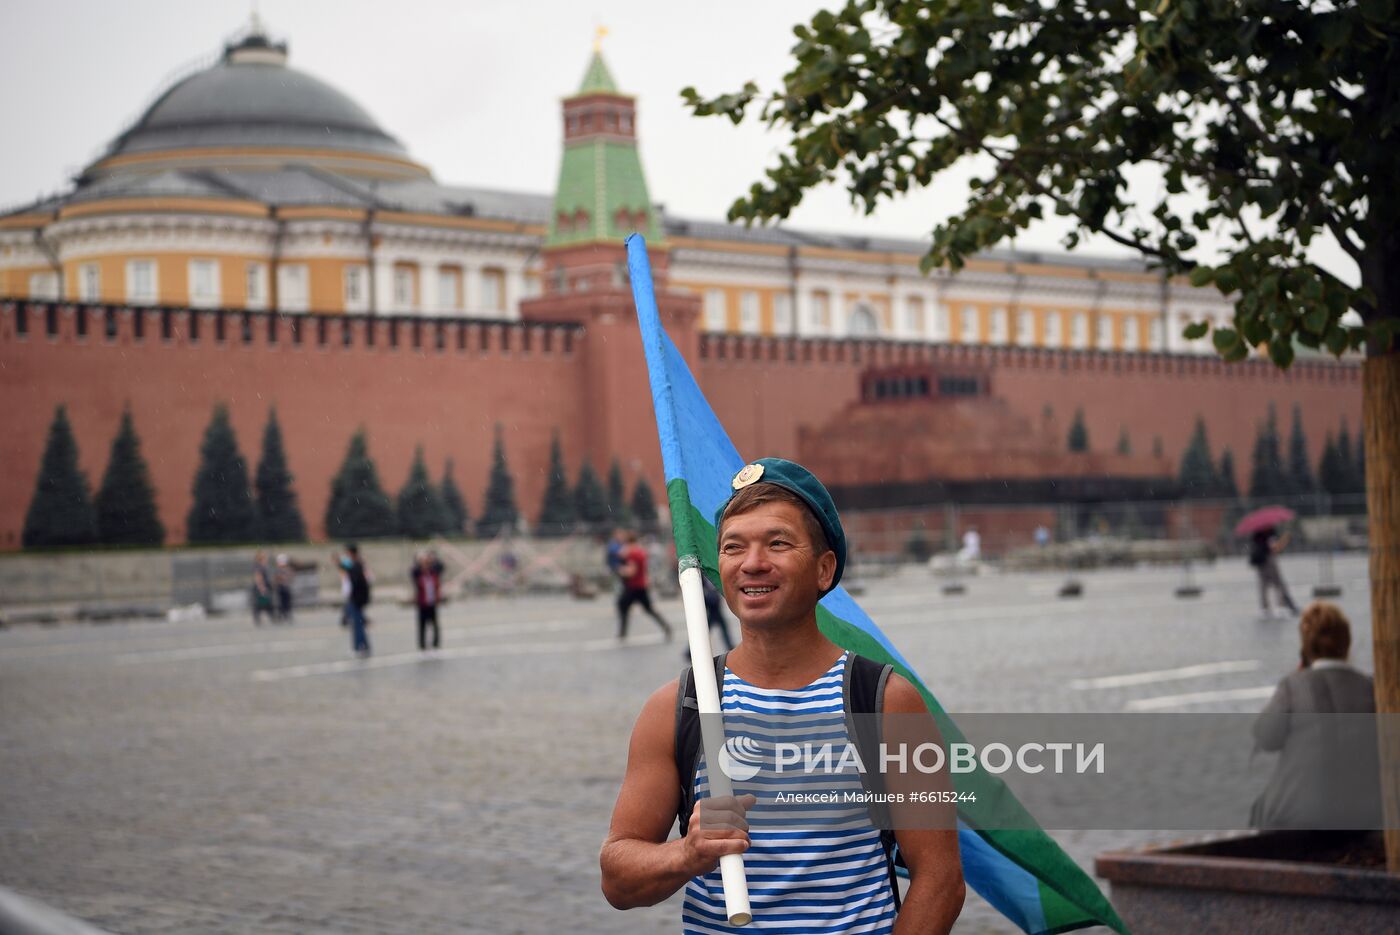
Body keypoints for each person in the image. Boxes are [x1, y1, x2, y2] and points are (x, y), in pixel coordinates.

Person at [601, 458, 964, 932]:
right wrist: (686, 854)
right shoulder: (679, 707)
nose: (753, 563)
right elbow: (618, 879)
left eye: (778, 543)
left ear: (824, 568)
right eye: (733, 547)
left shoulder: (883, 701)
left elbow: (940, 879)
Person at [1251, 602, 1380, 830]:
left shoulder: (1294, 686)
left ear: (1306, 647)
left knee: (1259, 809)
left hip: (1298, 816)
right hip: (1366, 814)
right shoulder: (1371, 688)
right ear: (1347, 642)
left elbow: (1266, 738)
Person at [616, 530, 673, 642]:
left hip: (634, 586)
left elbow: (631, 571)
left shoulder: (633, 554)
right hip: (641, 585)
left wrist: (620, 570)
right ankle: (665, 626)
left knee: (622, 605)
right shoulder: (640, 551)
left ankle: (622, 632)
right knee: (648, 609)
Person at [1249, 526, 1298, 618]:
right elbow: (1275, 548)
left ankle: (1265, 607)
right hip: (1268, 560)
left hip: (1260, 562)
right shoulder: (1269, 533)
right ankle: (1281, 606)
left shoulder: (1257, 534)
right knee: (1278, 584)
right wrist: (1285, 539)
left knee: (1264, 585)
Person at [340, 543, 372, 658]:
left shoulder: (356, 566)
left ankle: (360, 646)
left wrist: (357, 598)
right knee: (358, 623)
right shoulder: (356, 565)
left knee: (357, 624)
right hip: (356, 598)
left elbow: (358, 583)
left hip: (356, 599)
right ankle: (362, 646)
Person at [411, 550, 444, 651]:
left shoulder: (433, 572)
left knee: (435, 624)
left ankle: (436, 643)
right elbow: (413, 570)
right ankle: (422, 645)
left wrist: (432, 558)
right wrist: (419, 560)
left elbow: (441, 566)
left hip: (432, 602)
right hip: (422, 603)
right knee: (422, 625)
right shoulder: (418, 574)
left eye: (427, 562)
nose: (425, 564)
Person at [250, 551, 274, 625]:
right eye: (264, 557)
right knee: (260, 604)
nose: (266, 558)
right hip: (261, 587)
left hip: (265, 587)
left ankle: (271, 617)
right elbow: (258, 577)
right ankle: (259, 619)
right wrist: (261, 587)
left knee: (266, 604)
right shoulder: (259, 567)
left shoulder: (264, 566)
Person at [274, 553, 294, 623]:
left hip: (286, 587)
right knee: (281, 603)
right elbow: (276, 578)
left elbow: (291, 577)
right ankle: (281, 616)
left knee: (287, 602)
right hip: (280, 587)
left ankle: (287, 615)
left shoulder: (287, 569)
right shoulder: (277, 569)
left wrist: (285, 578)